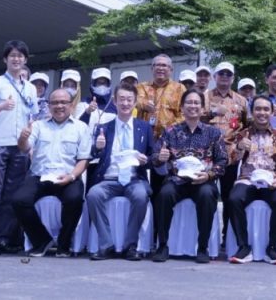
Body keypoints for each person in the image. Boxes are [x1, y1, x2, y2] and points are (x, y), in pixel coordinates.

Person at [12, 88, 92, 257]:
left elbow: (83, 159)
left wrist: (71, 176)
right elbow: (25, 148)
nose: (59, 106)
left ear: (71, 105)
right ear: (48, 106)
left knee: (75, 199)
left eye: (63, 102)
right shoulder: (38, 126)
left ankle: (64, 243)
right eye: (54, 102)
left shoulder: (81, 127)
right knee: (19, 200)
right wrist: (23, 138)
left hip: (67, 176)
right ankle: (41, 240)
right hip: (40, 175)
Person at [151, 89, 227, 264]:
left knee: (207, 195)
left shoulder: (213, 133)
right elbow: (154, 157)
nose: (193, 106)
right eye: (189, 103)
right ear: (182, 107)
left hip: (202, 181)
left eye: (196, 103)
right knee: (164, 194)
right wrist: (160, 158)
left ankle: (202, 247)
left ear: (203, 108)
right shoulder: (171, 131)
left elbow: (223, 160)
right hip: (176, 180)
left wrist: (208, 175)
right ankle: (162, 245)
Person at [0, 40, 37, 255]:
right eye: (12, 55)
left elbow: (33, 117)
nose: (16, 59)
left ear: (25, 60)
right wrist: (1, 106)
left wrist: (31, 145)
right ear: (5, 59)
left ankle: (4, 237)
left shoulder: (30, 87)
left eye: (20, 56)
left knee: (12, 195)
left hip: (20, 146)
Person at [85, 83, 156, 261]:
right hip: (110, 178)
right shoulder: (103, 127)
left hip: (134, 178)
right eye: (121, 99)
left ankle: (130, 245)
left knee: (140, 196)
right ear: (115, 101)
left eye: (129, 100)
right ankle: (106, 244)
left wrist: (146, 160)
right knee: (93, 194)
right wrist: (98, 148)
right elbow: (93, 155)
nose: (125, 103)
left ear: (135, 102)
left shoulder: (144, 127)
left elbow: (153, 156)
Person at [227, 95, 276, 265]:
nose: (262, 113)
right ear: (252, 112)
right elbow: (231, 160)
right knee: (234, 199)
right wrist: (239, 148)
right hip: (247, 180)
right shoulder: (242, 134)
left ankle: (273, 247)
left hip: (271, 181)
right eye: (258, 109)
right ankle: (243, 246)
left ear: (271, 112)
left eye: (265, 109)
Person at [203, 61, 249, 242]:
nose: (224, 77)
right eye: (221, 73)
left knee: (230, 196)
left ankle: (227, 235)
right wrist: (212, 112)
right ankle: (207, 237)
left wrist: (240, 143)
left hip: (231, 154)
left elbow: (247, 125)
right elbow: (193, 116)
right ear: (214, 76)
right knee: (207, 194)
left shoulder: (241, 100)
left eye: (228, 74)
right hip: (207, 154)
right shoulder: (204, 97)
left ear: (233, 78)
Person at [136, 54, 185, 141]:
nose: (160, 68)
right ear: (152, 68)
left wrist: (171, 127)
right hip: (144, 135)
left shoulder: (179, 88)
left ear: (171, 69)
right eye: (157, 65)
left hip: (171, 137)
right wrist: (144, 104)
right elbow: (134, 101)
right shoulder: (141, 87)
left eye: (164, 65)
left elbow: (184, 113)